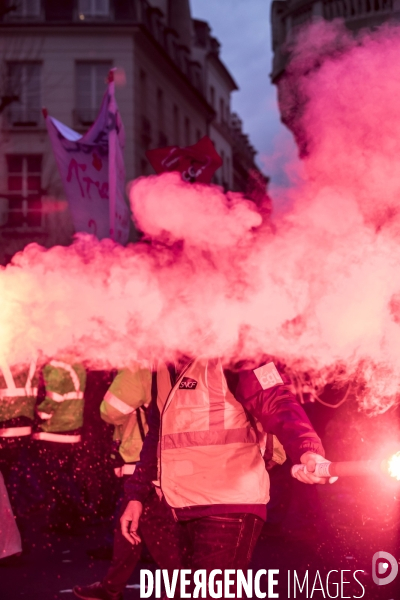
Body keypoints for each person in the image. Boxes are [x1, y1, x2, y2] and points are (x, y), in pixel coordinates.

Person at [119, 357, 328, 593]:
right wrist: (135, 494)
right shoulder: (164, 361)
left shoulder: (235, 348)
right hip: (179, 507)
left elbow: (277, 401)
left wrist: (308, 450)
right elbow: (157, 433)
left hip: (229, 504)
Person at [73, 366, 187, 600]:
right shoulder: (164, 365)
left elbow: (110, 411)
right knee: (132, 526)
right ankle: (113, 586)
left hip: (141, 458)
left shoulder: (138, 368)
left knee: (150, 529)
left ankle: (180, 588)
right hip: (161, 456)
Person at [32, 356, 87, 532]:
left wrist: (38, 415)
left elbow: (53, 399)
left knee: (54, 481)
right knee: (66, 477)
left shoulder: (55, 366)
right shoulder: (77, 363)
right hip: (72, 429)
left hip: (54, 432)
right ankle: (73, 517)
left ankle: (64, 520)